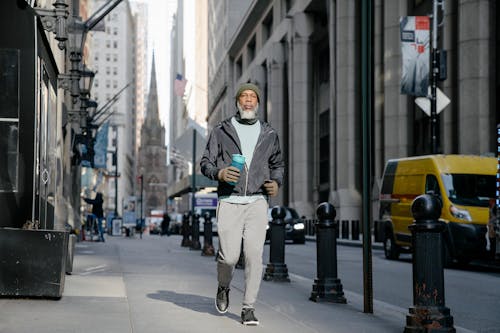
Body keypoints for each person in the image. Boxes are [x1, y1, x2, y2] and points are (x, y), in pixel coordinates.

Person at [200, 82, 284, 326]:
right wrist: (220, 173)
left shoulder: (269, 133)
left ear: (257, 102)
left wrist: (276, 182)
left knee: (254, 255)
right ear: (237, 102)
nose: (248, 100)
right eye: (244, 96)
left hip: (257, 200)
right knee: (228, 257)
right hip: (229, 200)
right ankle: (224, 286)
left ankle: (248, 307)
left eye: (252, 96)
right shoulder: (221, 130)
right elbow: (205, 162)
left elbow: (278, 164)